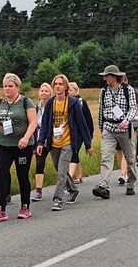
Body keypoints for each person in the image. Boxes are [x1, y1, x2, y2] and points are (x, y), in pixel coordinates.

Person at [37, 74, 93, 211]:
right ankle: (73, 189)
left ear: (66, 86)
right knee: (59, 168)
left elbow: (82, 124)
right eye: (55, 84)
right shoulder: (50, 103)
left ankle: (58, 199)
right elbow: (44, 124)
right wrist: (40, 142)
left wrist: (88, 144)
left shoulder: (73, 103)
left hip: (68, 142)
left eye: (60, 84)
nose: (57, 86)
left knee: (62, 170)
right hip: (54, 142)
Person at [0, 73, 38, 221]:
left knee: (22, 175)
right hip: (4, 145)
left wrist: (26, 137)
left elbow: (33, 122)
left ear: (17, 87)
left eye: (10, 86)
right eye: (5, 86)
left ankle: (25, 206)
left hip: (22, 146)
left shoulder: (26, 102)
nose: (7, 89)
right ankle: (0, 209)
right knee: (1, 174)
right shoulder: (1, 103)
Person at [92, 65, 137, 199]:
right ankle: (103, 187)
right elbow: (101, 110)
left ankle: (131, 184)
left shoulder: (128, 90)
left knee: (129, 158)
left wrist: (127, 121)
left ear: (114, 77)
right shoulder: (104, 91)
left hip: (124, 129)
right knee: (106, 157)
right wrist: (101, 127)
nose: (105, 78)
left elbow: (133, 109)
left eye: (107, 76)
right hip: (109, 128)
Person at [115, 75, 138, 184]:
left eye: (122, 81)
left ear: (126, 81)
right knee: (119, 150)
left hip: (129, 125)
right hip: (116, 125)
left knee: (126, 150)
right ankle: (122, 172)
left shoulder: (132, 92)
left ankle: (124, 174)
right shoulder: (113, 92)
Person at [31, 83, 54, 202]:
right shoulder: (35, 108)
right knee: (39, 164)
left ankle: (67, 185)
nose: (44, 93)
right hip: (40, 140)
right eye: (42, 91)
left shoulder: (54, 107)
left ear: (50, 93)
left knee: (59, 164)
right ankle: (38, 190)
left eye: (46, 91)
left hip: (54, 139)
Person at [68, 82, 94, 184]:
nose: (69, 92)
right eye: (68, 90)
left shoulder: (82, 102)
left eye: (71, 90)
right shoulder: (66, 102)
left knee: (74, 152)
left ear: (76, 90)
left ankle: (69, 178)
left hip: (80, 133)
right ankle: (79, 176)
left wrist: (90, 135)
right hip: (70, 132)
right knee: (75, 153)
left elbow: (88, 119)